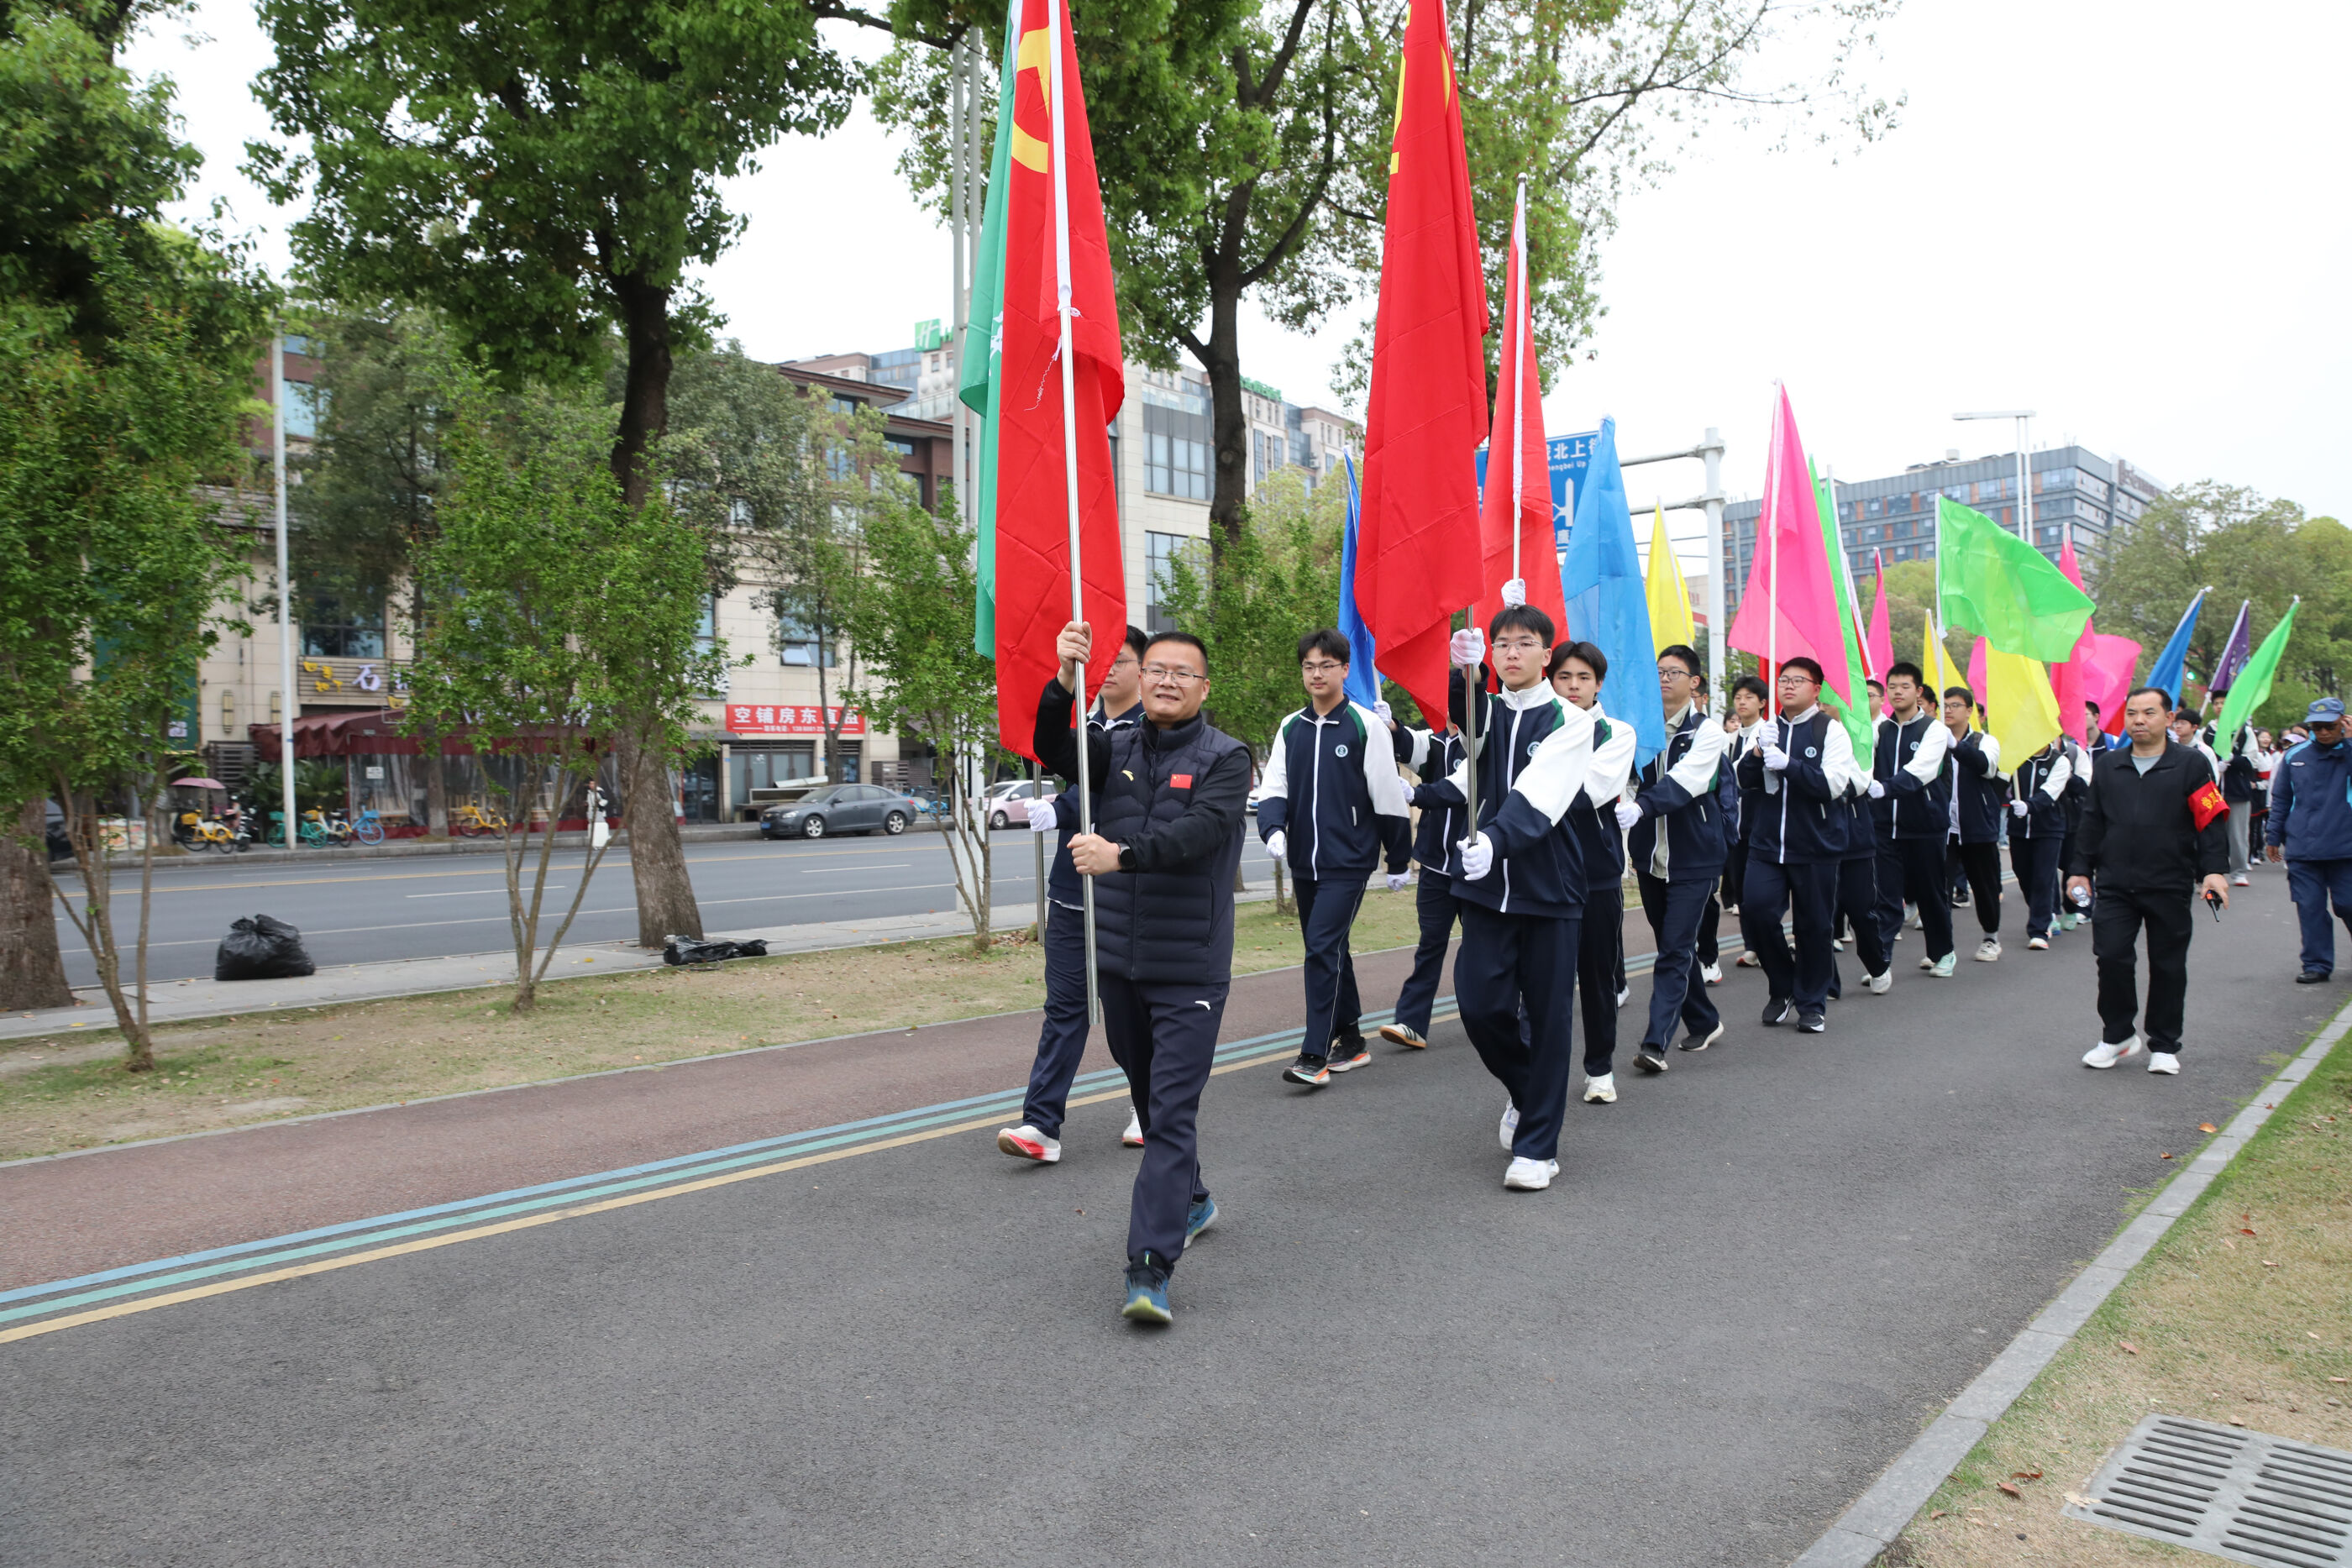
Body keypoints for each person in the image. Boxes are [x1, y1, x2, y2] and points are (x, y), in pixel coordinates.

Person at [1036, 621, 1252, 1324]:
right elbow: (1052, 746)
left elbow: (1201, 833)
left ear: (1203, 688)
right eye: (1156, 668)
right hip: (1120, 963)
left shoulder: (1228, 757)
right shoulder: (1113, 747)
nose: (1166, 680)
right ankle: (1193, 1198)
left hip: (1190, 967)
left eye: (1182, 672)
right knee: (1151, 1097)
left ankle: (1149, 1265)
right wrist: (1064, 678)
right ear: (1139, 676)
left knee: (1171, 1111)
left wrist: (1120, 856)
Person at [1410, 605, 1593, 1192]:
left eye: (1525, 643)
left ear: (1547, 654)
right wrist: (1460, 670)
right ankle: (1528, 1090)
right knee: (1479, 1004)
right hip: (1486, 889)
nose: (1512, 653)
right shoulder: (1485, 710)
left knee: (1549, 1017)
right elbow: (1464, 725)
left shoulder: (1571, 721)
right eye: (1502, 644)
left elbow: (1540, 793)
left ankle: (1538, 1147)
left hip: (1549, 890)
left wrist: (1494, 838)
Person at [999, 628, 1149, 1164]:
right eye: (1104, 659)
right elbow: (1059, 758)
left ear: (1144, 670)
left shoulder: (1154, 731)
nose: (1109, 670)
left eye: (1121, 660)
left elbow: (1106, 787)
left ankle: (1149, 1105)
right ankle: (1041, 1124)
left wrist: (1063, 808)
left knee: (1131, 1017)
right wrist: (1061, 676)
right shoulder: (1085, 724)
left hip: (1124, 897)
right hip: (1071, 892)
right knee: (1064, 1008)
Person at [1261, 629, 1414, 1088]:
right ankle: (1351, 1038)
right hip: (1304, 860)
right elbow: (1275, 785)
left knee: (1321, 949)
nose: (1317, 674)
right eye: (1309, 666)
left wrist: (1399, 860)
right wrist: (1272, 829)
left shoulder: (1365, 726)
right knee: (1331, 947)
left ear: (1345, 669)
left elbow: (1387, 797)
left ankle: (1314, 1053)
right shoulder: (1291, 727)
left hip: (1348, 860)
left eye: (1327, 665)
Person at [2066, 685, 2230, 1075]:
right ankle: (2118, 1036)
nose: (2139, 721)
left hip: (2169, 882)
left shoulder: (2191, 764)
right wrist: (2079, 869)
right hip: (2115, 883)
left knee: (2168, 964)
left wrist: (2213, 870)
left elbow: (2210, 819)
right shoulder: (2110, 766)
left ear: (2169, 718)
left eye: (2149, 713)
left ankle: (2165, 1044)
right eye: (2132, 713)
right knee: (2111, 956)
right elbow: (2091, 822)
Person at [1624, 643, 1730, 1071]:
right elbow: (1625, 778)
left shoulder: (1708, 732)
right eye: (1659, 672)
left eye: (1674, 672)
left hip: (1694, 858)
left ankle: (1655, 1044)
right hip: (1650, 857)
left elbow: (1686, 781)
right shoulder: (1639, 730)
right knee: (1673, 946)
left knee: (1673, 949)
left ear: (1695, 682)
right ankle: (1704, 1020)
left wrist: (1641, 806)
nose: (1664, 678)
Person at [1735, 658, 1853, 1032]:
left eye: (1798, 680)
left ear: (1816, 689)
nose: (1788, 685)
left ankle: (1812, 1003)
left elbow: (1832, 785)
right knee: (1756, 912)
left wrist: (1789, 764)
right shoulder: (1767, 729)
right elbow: (1742, 780)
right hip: (1767, 844)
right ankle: (1782, 985)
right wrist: (1757, 753)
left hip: (1816, 845)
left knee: (1814, 927)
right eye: (1783, 679)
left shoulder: (1830, 731)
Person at [1550, 641, 1637, 1101]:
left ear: (1599, 684)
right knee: (1545, 981)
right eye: (1564, 677)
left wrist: (1537, 784)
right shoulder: (1536, 726)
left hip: (1596, 873)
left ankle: (1600, 1069)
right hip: (1544, 873)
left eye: (1583, 677)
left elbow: (1589, 793)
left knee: (1598, 977)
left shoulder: (1616, 733)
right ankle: (1539, 1075)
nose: (1573, 686)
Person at [1382, 711, 1466, 1051]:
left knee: (1483, 948)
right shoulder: (1433, 742)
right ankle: (1412, 1022)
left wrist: (1417, 794)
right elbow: (1406, 744)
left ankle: (1497, 1011)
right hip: (1434, 865)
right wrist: (1391, 726)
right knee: (1430, 944)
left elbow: (1458, 788)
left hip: (1476, 867)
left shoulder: (1488, 741)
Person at [1872, 663, 1956, 978]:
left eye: (1905, 686)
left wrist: (1886, 788)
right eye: (1892, 686)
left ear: (1918, 692)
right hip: (1885, 826)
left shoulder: (1934, 730)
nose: (1898, 692)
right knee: (1886, 896)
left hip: (1925, 825)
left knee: (1930, 893)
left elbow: (1922, 771)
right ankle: (1880, 963)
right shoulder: (1882, 730)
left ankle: (1943, 952)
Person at [2265, 698, 2352, 983]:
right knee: (2309, 906)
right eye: (2317, 727)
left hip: (2345, 847)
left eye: (2330, 726)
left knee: (2348, 904)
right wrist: (2273, 835)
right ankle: (2316, 964)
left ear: (2342, 723)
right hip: (2303, 847)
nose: (2324, 732)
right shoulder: (2295, 756)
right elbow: (2281, 798)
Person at [1945, 684, 2005, 959]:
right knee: (1939, 890)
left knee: (1984, 887)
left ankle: (1991, 937)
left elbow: (1985, 767)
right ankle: (1941, 948)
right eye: (1945, 705)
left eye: (1955, 705)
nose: (1949, 710)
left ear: (1969, 711)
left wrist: (1956, 746)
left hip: (1978, 828)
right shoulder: (1935, 741)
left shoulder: (1985, 741)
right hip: (1945, 829)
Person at [2008, 737, 2075, 951]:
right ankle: (2045, 913)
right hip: (2019, 828)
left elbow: (2051, 792)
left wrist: (2029, 806)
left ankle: (2039, 929)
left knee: (2043, 878)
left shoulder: (2059, 761)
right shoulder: (2016, 759)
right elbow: (2000, 784)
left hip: (2049, 828)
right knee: (2023, 874)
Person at [1721, 674, 1770, 969]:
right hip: (1735, 823)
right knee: (1740, 886)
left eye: (1749, 697)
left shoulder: (1767, 733)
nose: (1742, 702)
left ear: (1762, 702)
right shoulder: (1732, 737)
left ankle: (1765, 942)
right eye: (1738, 697)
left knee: (1757, 890)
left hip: (1759, 821)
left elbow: (1740, 773)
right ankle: (1751, 945)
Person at [2220, 718, 2263, 886]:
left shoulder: (2244, 731)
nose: (2220, 707)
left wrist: (2233, 759)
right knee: (2210, 835)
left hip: (2237, 792)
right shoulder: (2209, 730)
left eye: (2223, 704)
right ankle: (2210, 871)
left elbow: (2252, 761)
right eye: (2217, 705)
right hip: (2212, 792)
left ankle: (2238, 871)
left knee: (2237, 834)